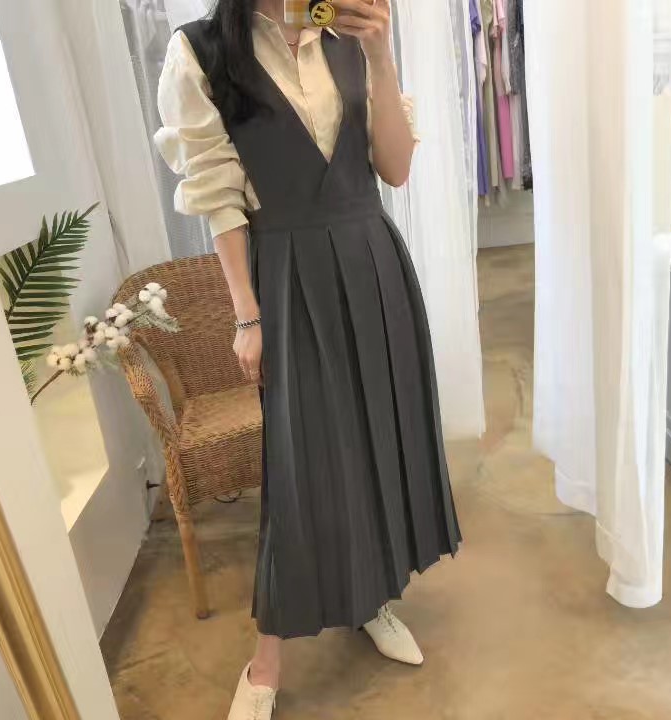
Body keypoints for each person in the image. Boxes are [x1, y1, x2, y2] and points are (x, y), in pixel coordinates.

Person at [154, 1, 461, 717]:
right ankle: (267, 660)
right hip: (287, 275)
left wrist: (381, 57)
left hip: (372, 264)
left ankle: (371, 596)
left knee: (377, 436)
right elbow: (218, 197)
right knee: (302, 465)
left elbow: (395, 168)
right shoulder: (203, 51)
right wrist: (246, 313)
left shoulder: (350, 34)